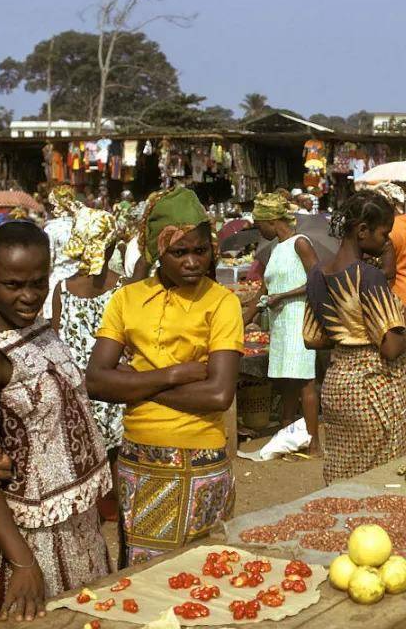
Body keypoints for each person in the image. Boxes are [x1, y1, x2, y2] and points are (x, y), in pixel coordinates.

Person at [0, 221, 111, 623]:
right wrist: (23, 563)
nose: (29, 296)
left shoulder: (41, 330)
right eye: (14, 284)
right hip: (31, 538)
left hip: (77, 522)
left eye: (39, 283)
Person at [87, 186, 243, 566]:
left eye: (200, 250)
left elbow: (218, 394)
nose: (193, 261)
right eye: (179, 252)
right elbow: (95, 380)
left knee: (201, 572)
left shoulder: (223, 302)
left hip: (200, 456)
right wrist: (173, 375)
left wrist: (136, 383)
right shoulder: (127, 299)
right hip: (139, 457)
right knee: (142, 572)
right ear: (158, 252)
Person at [303, 190, 406, 483]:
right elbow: (391, 347)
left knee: (344, 475)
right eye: (384, 234)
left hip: (338, 387)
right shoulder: (368, 276)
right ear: (362, 231)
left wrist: (351, 329)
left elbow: (313, 339)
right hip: (373, 391)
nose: (386, 242)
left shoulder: (318, 273)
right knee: (381, 480)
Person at [244, 192, 320, 452]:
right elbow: (261, 292)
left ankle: (314, 442)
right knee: (288, 380)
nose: (259, 229)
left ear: (273, 220)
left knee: (306, 381)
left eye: (260, 224)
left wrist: (284, 296)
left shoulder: (301, 243)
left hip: (299, 318)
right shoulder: (276, 250)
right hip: (281, 324)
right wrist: (243, 317)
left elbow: (316, 280)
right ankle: (287, 431)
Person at [51, 207, 125, 453]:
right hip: (116, 389)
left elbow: (55, 346)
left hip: (77, 394)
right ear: (112, 247)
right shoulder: (124, 289)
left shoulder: (62, 289)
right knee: (116, 465)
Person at [42, 185, 82, 319]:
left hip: (56, 284)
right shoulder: (82, 226)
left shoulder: (50, 230)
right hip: (80, 284)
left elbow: (48, 262)